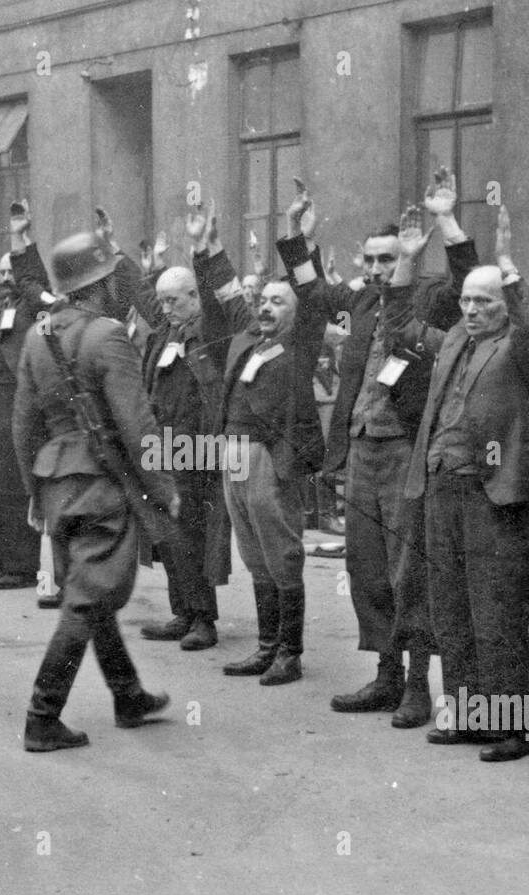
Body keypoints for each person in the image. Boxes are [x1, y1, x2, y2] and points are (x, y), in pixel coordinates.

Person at [278, 171, 476, 723]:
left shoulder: (431, 294)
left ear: (406, 257)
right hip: (362, 452)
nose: (374, 271)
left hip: (407, 452)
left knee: (407, 567)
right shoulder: (364, 302)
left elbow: (467, 288)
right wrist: (297, 233)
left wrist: (444, 226)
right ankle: (386, 676)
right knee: (367, 565)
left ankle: (417, 684)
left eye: (385, 261)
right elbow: (311, 289)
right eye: (369, 261)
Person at [12, 230, 178, 752]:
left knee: (90, 588)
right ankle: (43, 715)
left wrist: (34, 490)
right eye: (112, 280)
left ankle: (127, 695)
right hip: (101, 484)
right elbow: (137, 422)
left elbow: (22, 424)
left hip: (57, 480)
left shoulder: (38, 334)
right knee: (86, 599)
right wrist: (164, 484)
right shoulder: (108, 334)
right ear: (100, 284)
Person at [406, 205, 529, 762]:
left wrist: (508, 268)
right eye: (466, 300)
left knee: (500, 611)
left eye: (483, 302)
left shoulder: (520, 348)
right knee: (453, 609)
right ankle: (468, 716)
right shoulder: (451, 342)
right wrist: (436, 235)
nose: (470, 310)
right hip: (442, 487)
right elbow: (400, 322)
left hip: (495, 492)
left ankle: (513, 730)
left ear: (504, 307)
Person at [211, 194, 327, 687]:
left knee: (281, 553)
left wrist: (296, 236)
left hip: (268, 459)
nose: (265, 307)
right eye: (263, 300)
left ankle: (291, 653)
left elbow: (315, 295)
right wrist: (209, 249)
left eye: (278, 301)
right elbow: (223, 296)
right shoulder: (248, 341)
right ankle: (266, 647)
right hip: (233, 457)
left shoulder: (299, 344)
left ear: (297, 313)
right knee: (253, 554)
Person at [113, 203, 233, 653]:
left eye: (174, 301)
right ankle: (182, 611)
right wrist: (122, 257)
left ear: (195, 298)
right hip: (163, 448)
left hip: (199, 449)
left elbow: (219, 299)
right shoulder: (166, 331)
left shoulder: (212, 332)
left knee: (194, 534)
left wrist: (203, 247)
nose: (164, 308)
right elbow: (144, 298)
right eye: (161, 302)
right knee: (167, 533)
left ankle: (204, 619)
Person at [0, 201, 54, 590]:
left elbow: (37, 284)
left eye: (11, 271)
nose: (7, 278)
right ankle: (1, 559)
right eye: (1, 271)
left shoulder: (32, 304)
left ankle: (21, 565)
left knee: (13, 479)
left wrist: (21, 238)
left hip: (14, 398)